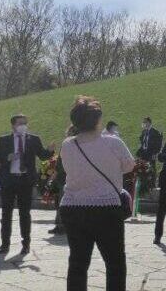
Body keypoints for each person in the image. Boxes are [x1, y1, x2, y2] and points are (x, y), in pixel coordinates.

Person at [59, 96, 135, 291]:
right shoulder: (113, 142)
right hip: (106, 207)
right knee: (115, 263)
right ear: (97, 120)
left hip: (72, 207)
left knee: (77, 263)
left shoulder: (67, 145)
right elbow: (129, 166)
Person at [0, 112, 55, 254]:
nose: (23, 126)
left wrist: (50, 151)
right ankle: (4, 244)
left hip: (25, 180)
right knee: (6, 213)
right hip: (9, 180)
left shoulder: (33, 139)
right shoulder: (4, 140)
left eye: (25, 123)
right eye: (20, 123)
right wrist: (7, 157)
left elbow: (42, 155)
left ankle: (26, 244)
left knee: (25, 213)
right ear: (13, 125)